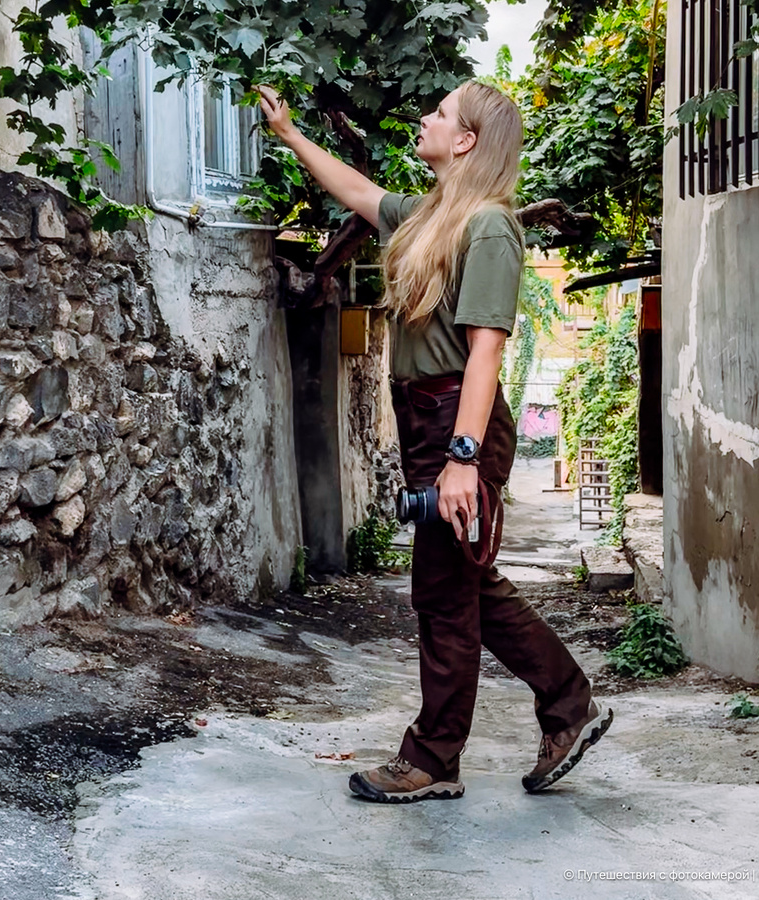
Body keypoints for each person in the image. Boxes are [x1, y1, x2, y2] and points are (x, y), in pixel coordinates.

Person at [257, 80, 612, 803]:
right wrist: (292, 135)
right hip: (429, 419)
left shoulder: (490, 227)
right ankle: (567, 703)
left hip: (458, 423)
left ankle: (434, 757)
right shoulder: (430, 216)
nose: (427, 118)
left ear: (466, 140)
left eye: (441, 113)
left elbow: (486, 352)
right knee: (466, 583)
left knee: (445, 595)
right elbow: (358, 191)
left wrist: (462, 459)